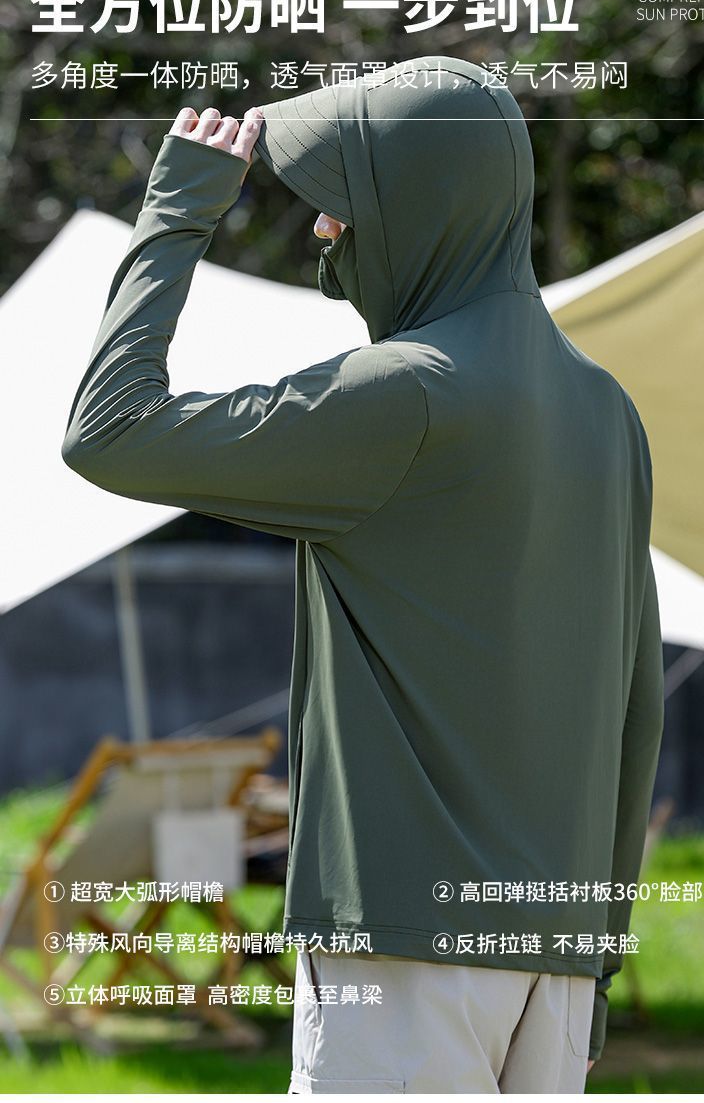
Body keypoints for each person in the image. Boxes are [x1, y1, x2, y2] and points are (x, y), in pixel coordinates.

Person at [62, 56, 665, 1093]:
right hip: (554, 957)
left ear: (417, 206)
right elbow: (635, 708)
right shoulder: (607, 409)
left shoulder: (406, 393)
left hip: (400, 950)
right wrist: (597, 958)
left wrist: (177, 213)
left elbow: (108, 432)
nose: (322, 231)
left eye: (342, 203)